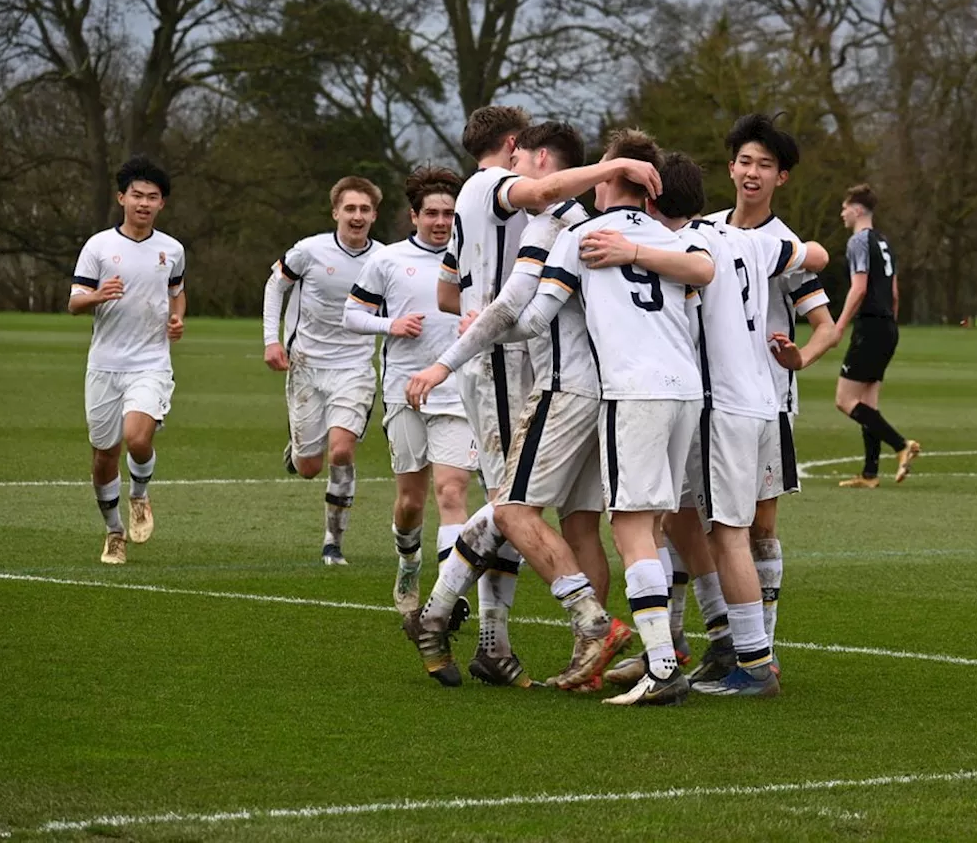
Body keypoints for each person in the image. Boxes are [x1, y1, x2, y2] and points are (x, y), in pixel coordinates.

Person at [403, 123, 674, 691]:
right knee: (572, 523)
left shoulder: (548, 217)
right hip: (621, 389)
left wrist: (446, 360)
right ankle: (564, 650)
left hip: (536, 376)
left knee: (510, 508)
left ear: (536, 159)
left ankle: (496, 625)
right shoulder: (639, 234)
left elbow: (502, 308)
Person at [579, 152, 827, 697]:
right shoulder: (748, 239)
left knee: (729, 536)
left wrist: (629, 250)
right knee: (685, 520)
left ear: (650, 199)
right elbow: (818, 252)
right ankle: (723, 642)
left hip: (723, 408)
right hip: (765, 403)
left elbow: (697, 270)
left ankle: (755, 665)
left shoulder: (692, 243)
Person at [502, 129, 714, 707]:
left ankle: (663, 669)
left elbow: (535, 317)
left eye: (602, 170)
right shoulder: (672, 237)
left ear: (617, 175)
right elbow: (702, 273)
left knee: (627, 526)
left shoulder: (582, 234)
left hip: (633, 391)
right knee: (652, 524)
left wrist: (484, 328)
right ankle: (663, 655)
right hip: (684, 394)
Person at [701, 113, 837, 669]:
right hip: (709, 401)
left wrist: (799, 356)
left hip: (767, 404)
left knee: (759, 525)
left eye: (766, 165)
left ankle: (764, 647)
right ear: (731, 167)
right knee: (700, 519)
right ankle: (724, 639)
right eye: (746, 162)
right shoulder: (705, 230)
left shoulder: (786, 246)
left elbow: (826, 324)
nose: (752, 173)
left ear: (782, 178)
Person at [339, 167, 478, 617]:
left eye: (449, 214)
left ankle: (447, 597)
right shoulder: (388, 260)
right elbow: (352, 315)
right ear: (414, 215)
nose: (440, 221)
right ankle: (408, 560)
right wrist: (390, 325)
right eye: (432, 213)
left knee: (452, 492)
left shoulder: (474, 257)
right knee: (410, 501)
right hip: (404, 392)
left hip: (458, 390)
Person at [69, 156, 185, 565]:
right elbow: (74, 303)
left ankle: (139, 494)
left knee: (137, 438)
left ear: (161, 204)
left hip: (151, 361)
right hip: (104, 364)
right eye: (137, 195)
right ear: (122, 198)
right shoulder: (98, 246)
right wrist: (98, 296)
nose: (144, 203)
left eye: (152, 197)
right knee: (104, 454)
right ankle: (113, 531)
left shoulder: (171, 249)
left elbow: (177, 291)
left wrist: (177, 319)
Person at [262, 176, 384, 564]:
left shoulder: (385, 258)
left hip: (354, 367)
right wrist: (271, 339)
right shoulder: (309, 251)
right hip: (307, 366)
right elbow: (274, 285)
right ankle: (297, 451)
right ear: (336, 212)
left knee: (342, 451)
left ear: (375, 215)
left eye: (365, 209)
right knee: (309, 466)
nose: (357, 216)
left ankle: (333, 542)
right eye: (350, 208)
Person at [834, 184, 919, 488]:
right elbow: (894, 293)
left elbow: (859, 288)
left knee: (844, 400)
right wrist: (888, 326)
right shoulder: (885, 243)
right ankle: (870, 473)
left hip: (869, 326)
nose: (842, 213)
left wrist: (840, 325)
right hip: (887, 327)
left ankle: (900, 445)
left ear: (857, 210)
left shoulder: (858, 241)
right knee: (867, 403)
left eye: (845, 207)